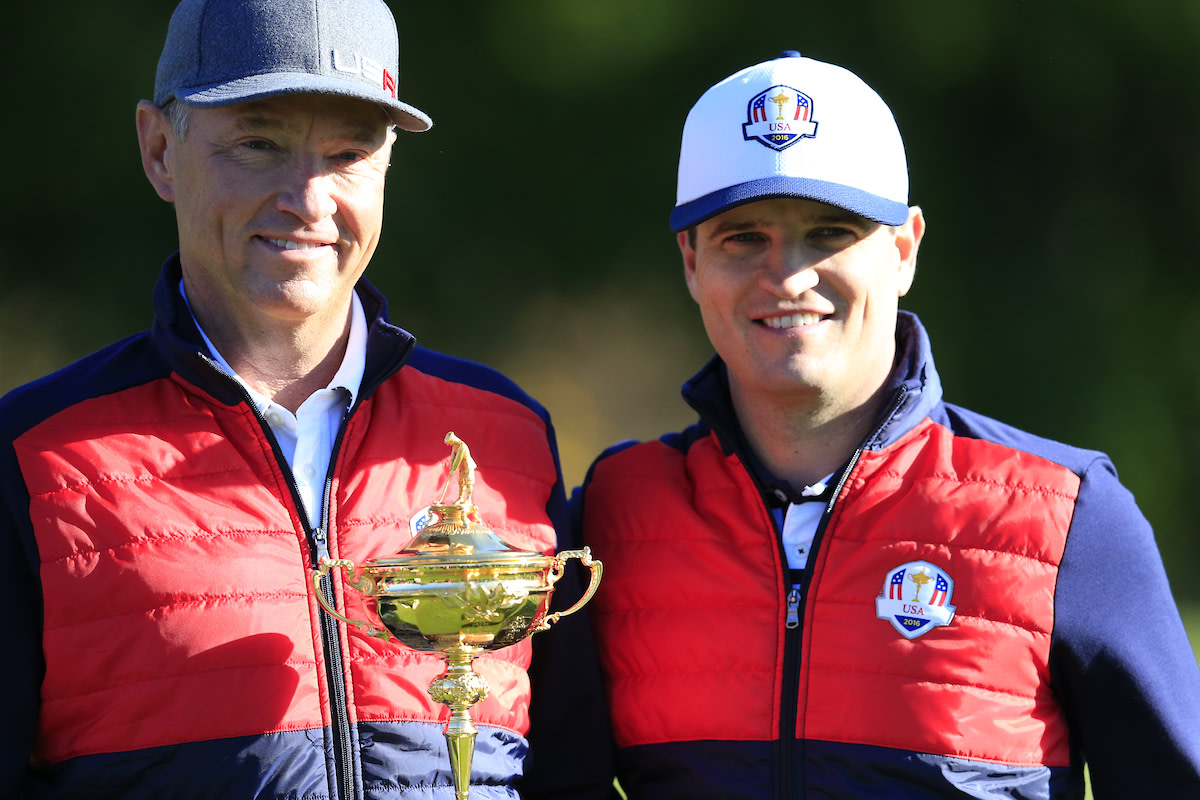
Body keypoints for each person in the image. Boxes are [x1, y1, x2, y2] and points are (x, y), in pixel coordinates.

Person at [0, 1, 612, 797]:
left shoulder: (504, 435)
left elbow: (574, 775)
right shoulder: (33, 453)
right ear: (159, 149)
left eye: (349, 153)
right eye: (259, 144)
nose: (309, 199)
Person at [574, 50, 1200, 798]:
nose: (789, 276)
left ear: (904, 250)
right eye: (744, 238)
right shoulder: (614, 514)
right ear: (690, 261)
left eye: (830, 233)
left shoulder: (1069, 515)